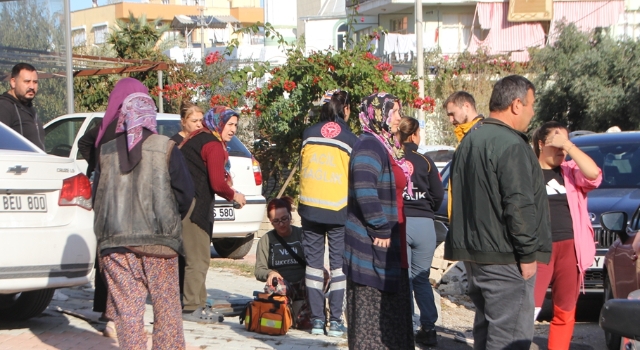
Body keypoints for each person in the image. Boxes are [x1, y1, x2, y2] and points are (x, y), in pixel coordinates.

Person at [445, 75, 552, 350]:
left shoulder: (470, 140)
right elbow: (518, 204)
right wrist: (527, 254)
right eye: (531, 105)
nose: (532, 112)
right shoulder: (510, 143)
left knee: (487, 333)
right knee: (509, 338)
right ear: (516, 105)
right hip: (505, 257)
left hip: (477, 255)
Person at [92, 89, 194, 349]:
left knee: (127, 314)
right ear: (151, 116)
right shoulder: (166, 147)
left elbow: (97, 197)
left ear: (124, 116)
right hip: (159, 245)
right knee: (167, 312)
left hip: (114, 245)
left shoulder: (105, 152)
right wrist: (168, 218)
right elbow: (185, 193)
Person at [77, 77, 150, 338]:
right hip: (126, 197)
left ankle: (107, 312)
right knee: (128, 258)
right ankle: (121, 317)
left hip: (105, 197)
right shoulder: (131, 123)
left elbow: (86, 145)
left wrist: (97, 165)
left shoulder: (105, 123)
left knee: (108, 255)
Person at [343, 92, 414, 349]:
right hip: (374, 250)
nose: (398, 117)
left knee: (392, 325)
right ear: (377, 114)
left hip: (391, 251)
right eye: (393, 112)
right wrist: (381, 228)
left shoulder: (385, 145)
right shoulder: (370, 145)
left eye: (397, 111)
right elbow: (364, 185)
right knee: (373, 328)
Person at [532, 121, 601, 349]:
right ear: (541, 144)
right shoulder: (527, 171)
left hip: (570, 248)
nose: (561, 151)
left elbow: (594, 175)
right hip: (538, 248)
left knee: (565, 309)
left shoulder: (570, 171)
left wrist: (569, 146)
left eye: (565, 145)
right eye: (556, 144)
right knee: (528, 308)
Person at [178, 105, 246, 323]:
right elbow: (217, 183)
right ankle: (190, 308)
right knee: (197, 258)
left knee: (201, 257)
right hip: (195, 205)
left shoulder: (198, 137)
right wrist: (234, 195)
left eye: (236, 124)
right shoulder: (213, 144)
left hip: (187, 202)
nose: (233, 129)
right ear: (218, 122)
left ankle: (199, 304)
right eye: (230, 124)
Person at [299, 89, 357, 337]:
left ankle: (316, 321)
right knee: (338, 268)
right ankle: (335, 322)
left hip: (310, 209)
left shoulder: (308, 134)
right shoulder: (351, 139)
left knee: (313, 268)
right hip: (338, 211)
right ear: (345, 109)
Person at [397, 116, 444, 346]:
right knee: (421, 278)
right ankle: (429, 328)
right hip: (425, 224)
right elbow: (438, 193)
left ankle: (404, 325)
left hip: (402, 222)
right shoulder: (426, 161)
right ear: (415, 135)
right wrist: (427, 209)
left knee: (403, 279)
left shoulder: (394, 158)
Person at [255, 196, 310, 327]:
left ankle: (305, 315)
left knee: (322, 274)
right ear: (270, 221)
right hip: (283, 284)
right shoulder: (266, 240)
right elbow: (259, 270)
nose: (281, 224)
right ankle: (282, 314)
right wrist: (270, 273)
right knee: (273, 285)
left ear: (290, 216)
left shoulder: (302, 235)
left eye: (284, 219)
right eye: (276, 221)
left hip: (304, 282)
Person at [171, 101, 204, 297]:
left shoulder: (200, 141)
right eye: (194, 121)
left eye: (201, 120)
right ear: (183, 122)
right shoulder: (174, 144)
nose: (199, 125)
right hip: (179, 202)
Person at [0, 63, 44, 149]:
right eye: (27, 81)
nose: (32, 86)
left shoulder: (29, 108)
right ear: (13, 82)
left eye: (35, 82)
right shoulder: (4, 107)